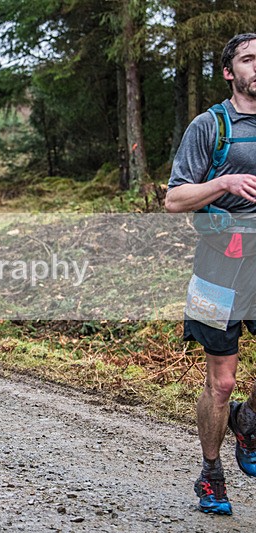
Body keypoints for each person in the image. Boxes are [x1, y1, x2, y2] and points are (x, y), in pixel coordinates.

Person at [165, 33, 256, 516]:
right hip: (219, 264)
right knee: (220, 383)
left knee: (238, 396)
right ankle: (211, 474)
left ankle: (250, 420)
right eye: (248, 59)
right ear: (229, 71)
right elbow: (174, 198)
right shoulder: (211, 126)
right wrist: (223, 182)